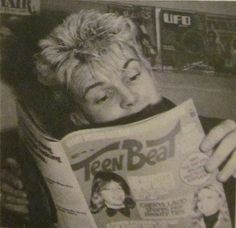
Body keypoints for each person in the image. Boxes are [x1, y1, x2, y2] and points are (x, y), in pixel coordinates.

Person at [0, 9, 236, 225]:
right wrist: (29, 208)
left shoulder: (219, 137)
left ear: (149, 71)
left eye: (132, 76)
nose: (129, 97)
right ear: (80, 116)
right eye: (103, 96)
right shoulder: (57, 163)